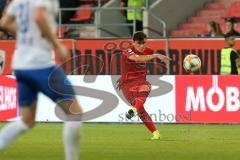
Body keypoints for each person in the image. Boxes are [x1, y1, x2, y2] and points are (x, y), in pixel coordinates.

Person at [0, 0, 82, 160]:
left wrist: (26, 36)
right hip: (40, 64)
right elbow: (38, 16)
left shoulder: (18, 1)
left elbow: (4, 22)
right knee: (74, 113)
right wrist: (57, 45)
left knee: (27, 121)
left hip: (20, 65)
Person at [117, 31, 171, 140]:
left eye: (144, 43)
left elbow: (143, 60)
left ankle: (135, 112)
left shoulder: (148, 51)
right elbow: (136, 58)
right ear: (133, 42)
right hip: (127, 84)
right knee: (140, 109)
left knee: (147, 87)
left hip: (141, 81)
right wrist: (155, 55)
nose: (142, 46)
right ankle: (155, 132)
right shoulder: (127, 51)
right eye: (139, 43)